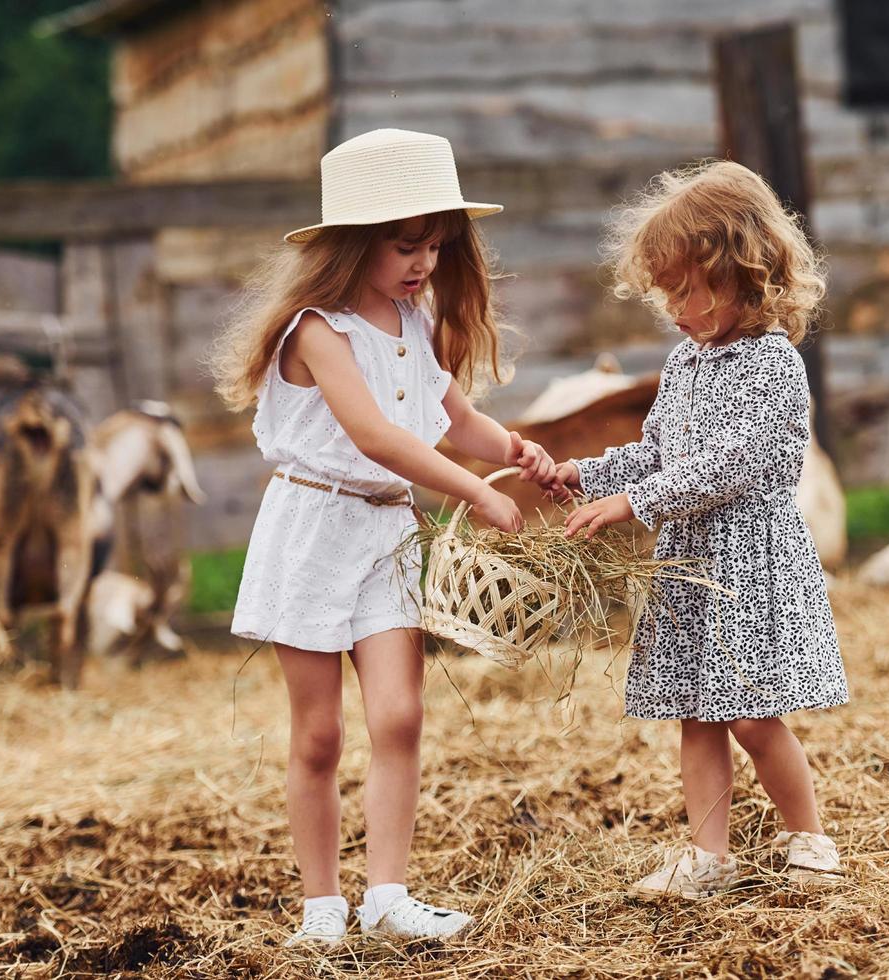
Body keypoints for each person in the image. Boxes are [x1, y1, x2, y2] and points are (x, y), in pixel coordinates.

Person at [211, 129, 555, 943]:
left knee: (400, 717)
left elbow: (449, 417)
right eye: (406, 247)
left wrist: (516, 454)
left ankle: (389, 898)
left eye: (434, 247)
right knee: (321, 732)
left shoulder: (412, 318)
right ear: (353, 243)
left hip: (386, 535)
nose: (423, 264)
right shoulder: (316, 331)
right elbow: (374, 436)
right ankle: (323, 907)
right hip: (313, 530)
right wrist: (473, 490)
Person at [549, 160, 849, 897]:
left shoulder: (774, 364)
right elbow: (658, 450)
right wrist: (587, 474)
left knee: (750, 714)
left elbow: (730, 463)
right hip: (689, 561)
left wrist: (635, 504)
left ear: (745, 271)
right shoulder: (685, 362)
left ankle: (808, 835)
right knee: (695, 714)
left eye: (688, 288)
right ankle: (708, 855)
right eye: (666, 293)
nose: (676, 308)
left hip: (747, 558)